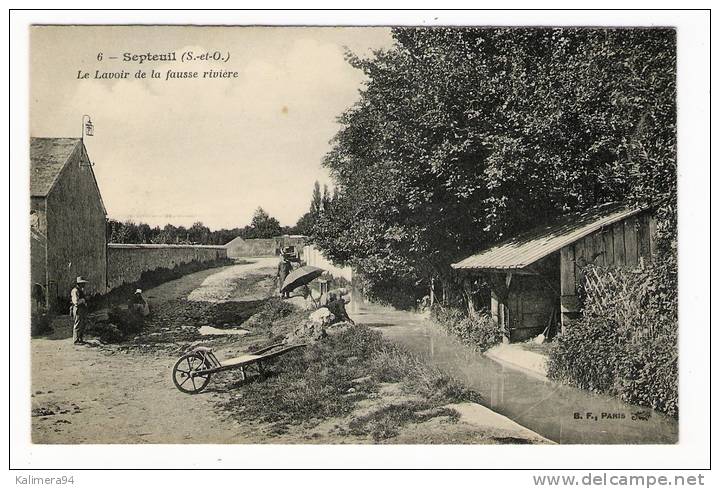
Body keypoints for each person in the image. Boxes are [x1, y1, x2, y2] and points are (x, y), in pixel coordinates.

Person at [70, 276, 89, 345]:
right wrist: (83, 300)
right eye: (82, 283)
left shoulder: (81, 290)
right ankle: (76, 340)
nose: (84, 284)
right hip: (78, 308)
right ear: (79, 284)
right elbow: (76, 302)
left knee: (83, 323)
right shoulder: (75, 290)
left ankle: (80, 339)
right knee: (77, 324)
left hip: (82, 309)